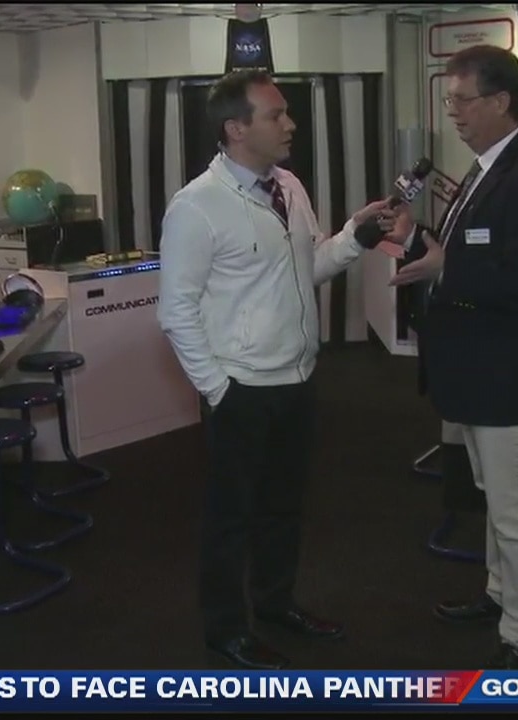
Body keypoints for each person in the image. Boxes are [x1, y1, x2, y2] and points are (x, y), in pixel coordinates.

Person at [157, 69, 394, 670]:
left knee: (284, 508)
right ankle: (225, 632)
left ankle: (275, 603)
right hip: (241, 389)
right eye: (275, 115)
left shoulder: (287, 185)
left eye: (286, 112)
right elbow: (175, 311)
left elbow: (306, 266)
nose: (290, 124)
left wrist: (356, 236)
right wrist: (219, 390)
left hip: (298, 380)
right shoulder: (196, 207)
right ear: (236, 129)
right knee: (230, 520)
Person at [388, 44, 518, 669]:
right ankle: (501, 596)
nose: (453, 113)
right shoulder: (485, 169)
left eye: (462, 101)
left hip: (509, 376)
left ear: (500, 101)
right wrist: (414, 239)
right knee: (497, 498)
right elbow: (466, 252)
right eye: (450, 101)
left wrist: (445, 266)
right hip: (477, 372)